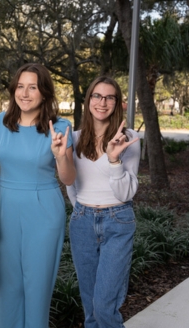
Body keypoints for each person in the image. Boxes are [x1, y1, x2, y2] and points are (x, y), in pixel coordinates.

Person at [0, 63, 76, 327]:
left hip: (44, 208)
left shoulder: (60, 128)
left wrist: (60, 157)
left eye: (33, 87)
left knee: (37, 286)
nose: (25, 93)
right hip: (5, 207)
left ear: (44, 93)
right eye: (20, 86)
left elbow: (68, 178)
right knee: (9, 286)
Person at [66, 76, 140, 328]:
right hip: (82, 222)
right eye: (97, 95)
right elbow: (71, 185)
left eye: (110, 97)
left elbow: (126, 193)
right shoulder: (74, 139)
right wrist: (83, 208)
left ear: (118, 103)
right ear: (88, 101)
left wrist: (114, 160)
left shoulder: (129, 139)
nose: (102, 102)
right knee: (90, 308)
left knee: (104, 307)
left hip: (117, 220)